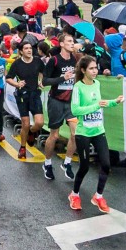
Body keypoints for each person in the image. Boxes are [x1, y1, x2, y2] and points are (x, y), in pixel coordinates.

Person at [68, 54, 115, 212]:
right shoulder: (78, 87)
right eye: (91, 68)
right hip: (83, 133)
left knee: (106, 164)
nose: (95, 71)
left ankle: (98, 196)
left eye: (96, 68)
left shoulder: (97, 83)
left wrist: (115, 101)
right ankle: (74, 194)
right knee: (84, 167)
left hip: (98, 130)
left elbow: (101, 104)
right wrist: (95, 106)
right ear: (83, 70)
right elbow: (75, 110)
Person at [41, 32, 82, 182]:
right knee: (55, 136)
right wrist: (62, 78)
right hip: (56, 101)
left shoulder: (76, 59)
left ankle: (67, 163)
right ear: (62, 44)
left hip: (71, 103)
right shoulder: (54, 60)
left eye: (73, 41)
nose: (72, 43)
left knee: (76, 134)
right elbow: (45, 81)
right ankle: (47, 163)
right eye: (69, 41)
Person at [7, 40, 45, 161]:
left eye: (30, 48)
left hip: (35, 94)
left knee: (39, 123)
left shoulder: (37, 61)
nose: (29, 50)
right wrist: (17, 84)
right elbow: (8, 78)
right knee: (26, 124)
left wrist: (40, 80)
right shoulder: (17, 64)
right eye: (26, 48)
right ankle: (22, 148)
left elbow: (43, 72)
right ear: (21, 51)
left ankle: (31, 133)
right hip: (22, 95)